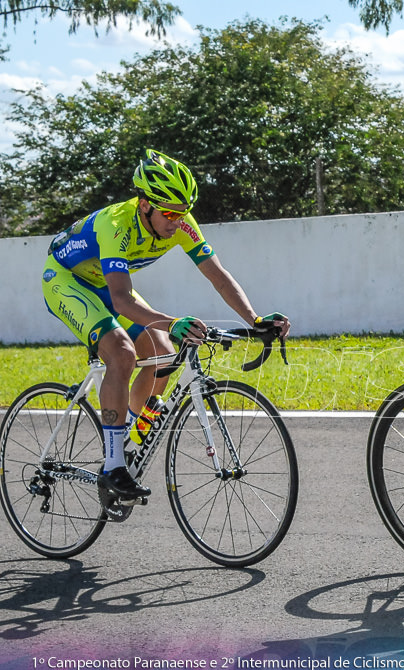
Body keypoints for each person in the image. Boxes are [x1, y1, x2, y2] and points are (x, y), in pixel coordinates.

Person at [41, 149, 289, 501]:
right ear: (145, 205)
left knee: (163, 353)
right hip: (66, 281)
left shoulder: (181, 222)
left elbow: (218, 276)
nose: (177, 222)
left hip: (108, 284)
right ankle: (113, 465)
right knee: (122, 353)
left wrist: (255, 319)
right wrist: (173, 321)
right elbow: (123, 300)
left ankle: (126, 433)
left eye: (183, 212)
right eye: (170, 213)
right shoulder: (116, 225)